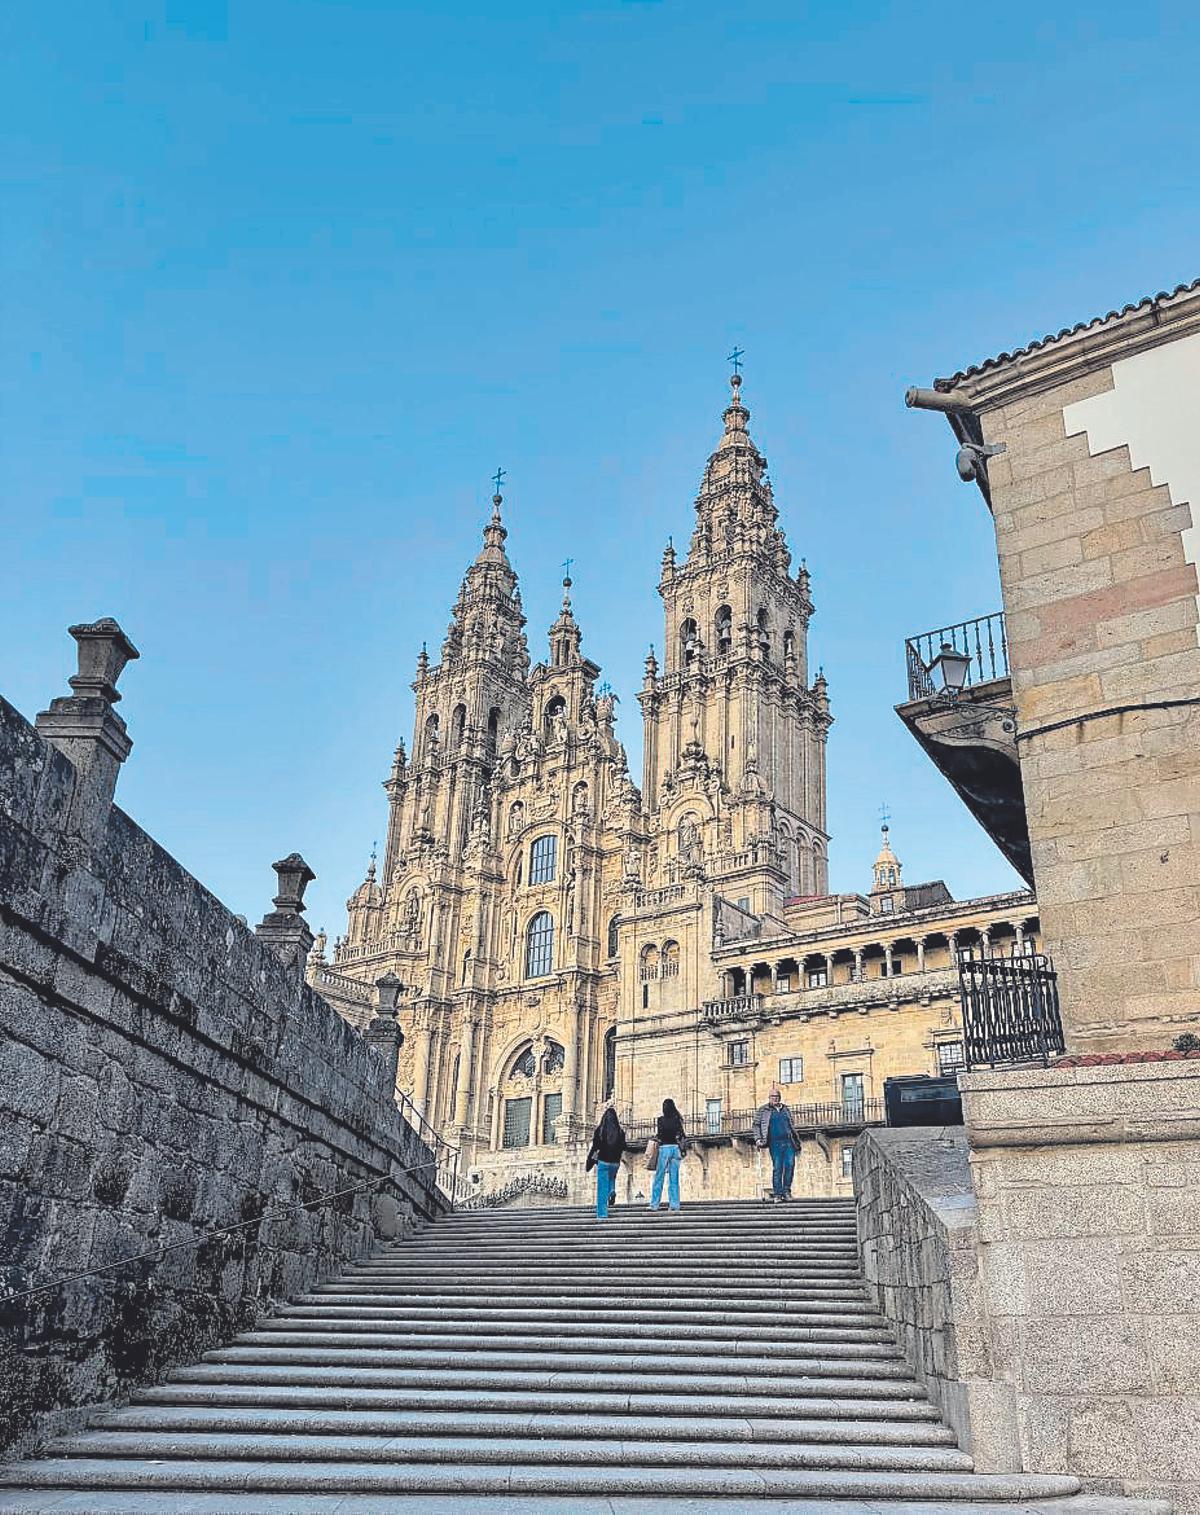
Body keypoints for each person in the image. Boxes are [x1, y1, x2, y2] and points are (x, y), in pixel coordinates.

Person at [754, 1087, 801, 1202]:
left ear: (779, 1098)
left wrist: (796, 1140)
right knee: (778, 1168)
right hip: (774, 1143)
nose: (774, 1099)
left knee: (790, 1165)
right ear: (769, 1098)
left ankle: (786, 1191)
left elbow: (791, 1125)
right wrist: (758, 1139)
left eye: (776, 1097)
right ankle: (777, 1194)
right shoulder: (763, 1110)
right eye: (772, 1097)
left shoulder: (785, 1109)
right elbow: (756, 1125)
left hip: (788, 1142)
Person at [648, 1098, 688, 1213]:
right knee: (674, 1179)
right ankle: (674, 1205)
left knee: (659, 1177)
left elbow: (660, 1135)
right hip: (675, 1149)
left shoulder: (660, 1120)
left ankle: (654, 1204)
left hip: (664, 1149)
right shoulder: (677, 1120)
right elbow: (681, 1135)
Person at [586, 1107, 626, 1219]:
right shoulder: (620, 1131)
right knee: (612, 1178)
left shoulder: (600, 1131)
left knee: (602, 1188)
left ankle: (602, 1214)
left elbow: (595, 1147)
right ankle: (612, 1190)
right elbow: (623, 1146)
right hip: (615, 1163)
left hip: (603, 1161)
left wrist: (590, 1160)